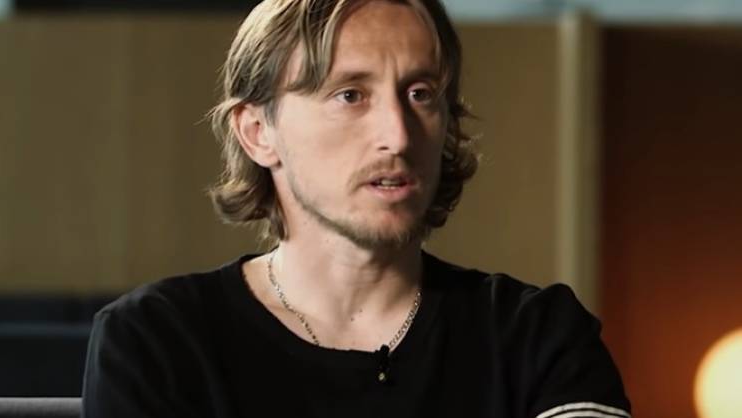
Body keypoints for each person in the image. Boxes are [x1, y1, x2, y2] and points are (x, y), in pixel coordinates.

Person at [82, 0, 631, 417]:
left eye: (420, 93)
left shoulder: (536, 334)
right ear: (258, 132)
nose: (398, 135)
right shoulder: (158, 340)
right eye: (351, 95)